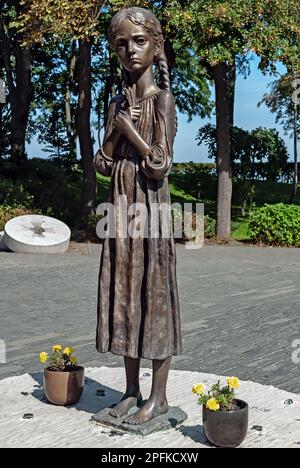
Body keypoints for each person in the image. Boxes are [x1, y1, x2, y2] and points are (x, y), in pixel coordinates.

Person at [94, 7, 182, 425]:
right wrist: (114, 132)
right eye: (121, 43)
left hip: (152, 208)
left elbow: (161, 164)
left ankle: (160, 397)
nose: (130, 50)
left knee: (155, 293)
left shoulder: (162, 99)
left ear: (156, 45)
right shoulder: (118, 100)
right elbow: (102, 162)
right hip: (122, 206)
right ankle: (131, 390)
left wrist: (130, 132)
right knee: (125, 292)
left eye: (139, 41)